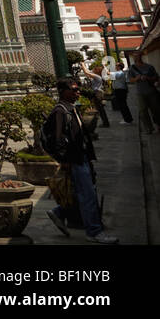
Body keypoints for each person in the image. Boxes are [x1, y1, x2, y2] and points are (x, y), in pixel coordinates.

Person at [46, 78, 118, 243]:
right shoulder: (60, 111)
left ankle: (60, 211)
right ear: (64, 92)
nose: (78, 92)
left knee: (81, 192)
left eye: (78, 89)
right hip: (75, 160)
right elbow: (58, 139)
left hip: (82, 157)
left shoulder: (71, 108)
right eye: (74, 89)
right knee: (88, 196)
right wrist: (64, 159)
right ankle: (94, 231)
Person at [128, 53, 160, 134]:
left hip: (151, 91)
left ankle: (158, 125)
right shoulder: (132, 68)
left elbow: (156, 77)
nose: (136, 57)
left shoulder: (149, 67)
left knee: (155, 110)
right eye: (134, 56)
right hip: (140, 93)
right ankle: (149, 128)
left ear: (141, 56)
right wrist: (137, 78)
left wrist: (148, 78)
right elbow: (130, 80)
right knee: (142, 111)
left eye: (137, 56)